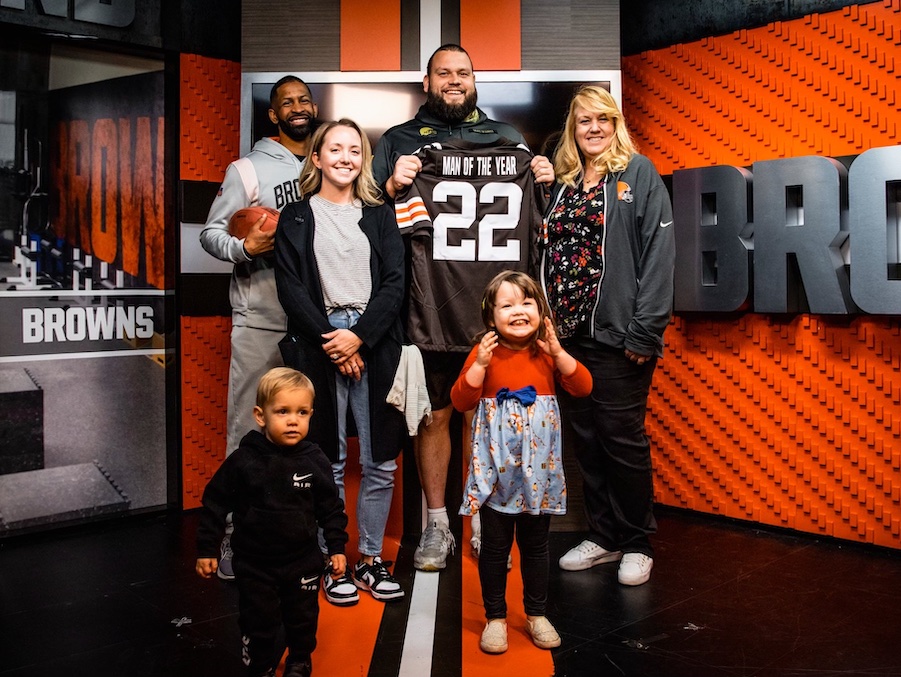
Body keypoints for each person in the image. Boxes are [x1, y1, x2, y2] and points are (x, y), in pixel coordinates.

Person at [373, 43, 555, 571]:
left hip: (493, 308)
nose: (454, 80)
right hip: (428, 306)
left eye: (464, 72)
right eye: (443, 73)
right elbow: (370, 216)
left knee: (486, 414)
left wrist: (542, 181)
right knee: (435, 414)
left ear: (475, 81)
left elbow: (541, 226)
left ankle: (480, 521)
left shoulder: (509, 140)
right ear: (426, 82)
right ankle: (437, 528)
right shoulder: (399, 142)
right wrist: (391, 186)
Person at [539, 85, 675, 586]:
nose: (593, 128)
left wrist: (645, 331)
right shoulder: (565, 181)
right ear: (572, 130)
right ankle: (603, 536)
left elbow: (660, 255)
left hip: (620, 337)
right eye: (583, 121)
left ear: (616, 123)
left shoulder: (637, 175)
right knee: (588, 441)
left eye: (602, 119)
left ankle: (637, 542)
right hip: (568, 339)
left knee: (622, 441)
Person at [275, 119, 407, 605]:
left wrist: (359, 339)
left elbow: (395, 282)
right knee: (327, 461)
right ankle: (333, 563)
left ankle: (370, 560)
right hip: (319, 342)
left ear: (363, 160)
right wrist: (334, 341)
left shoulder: (380, 215)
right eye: (335, 148)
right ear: (317, 158)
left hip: (374, 342)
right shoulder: (294, 216)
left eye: (355, 150)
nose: (346, 157)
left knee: (379, 462)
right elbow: (290, 288)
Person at [200, 75, 319, 580]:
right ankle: (235, 537)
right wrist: (245, 248)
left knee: (312, 434)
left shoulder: (330, 160)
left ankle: (306, 535)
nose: (297, 107)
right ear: (273, 115)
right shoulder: (246, 169)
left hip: (317, 320)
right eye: (286, 101)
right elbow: (210, 233)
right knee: (248, 429)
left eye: (304, 99)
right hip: (263, 318)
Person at [451, 270, 592, 654]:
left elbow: (583, 386)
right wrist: (479, 364)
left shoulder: (546, 353)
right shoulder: (484, 352)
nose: (518, 310)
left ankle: (536, 613)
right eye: (507, 304)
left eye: (527, 302)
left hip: (538, 473)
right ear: (490, 316)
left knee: (535, 545)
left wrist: (559, 353)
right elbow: (461, 400)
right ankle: (495, 617)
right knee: (495, 548)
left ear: (541, 311)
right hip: (497, 473)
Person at [196, 367, 348, 677]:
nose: (293, 420)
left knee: (302, 618)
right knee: (258, 620)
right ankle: (261, 664)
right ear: (260, 415)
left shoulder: (315, 460)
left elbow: (331, 508)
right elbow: (214, 503)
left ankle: (300, 660)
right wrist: (206, 549)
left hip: (302, 560)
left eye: (302, 412)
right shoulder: (243, 461)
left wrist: (336, 547)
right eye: (283, 411)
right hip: (255, 563)